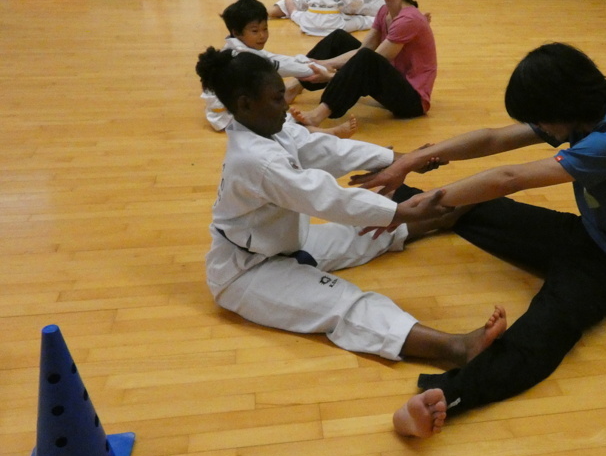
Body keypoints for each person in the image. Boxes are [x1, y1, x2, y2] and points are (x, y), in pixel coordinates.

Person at [350, 43, 606, 438]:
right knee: (469, 202)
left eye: (541, 118)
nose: (540, 126)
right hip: (590, 233)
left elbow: (510, 178)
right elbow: (492, 140)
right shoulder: (587, 109)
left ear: (563, 104)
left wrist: (419, 205)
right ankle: (400, 203)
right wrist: (408, 162)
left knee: (545, 329)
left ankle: (449, 395)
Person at [195, 47, 508, 365]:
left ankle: (439, 218)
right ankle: (456, 349)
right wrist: (398, 211)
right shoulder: (254, 160)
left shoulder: (271, 128)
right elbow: (323, 197)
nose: (285, 106)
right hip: (247, 273)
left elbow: (324, 148)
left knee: (365, 232)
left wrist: (399, 159)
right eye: (278, 99)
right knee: (343, 302)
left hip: (285, 243)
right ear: (245, 104)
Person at [289, 0, 437, 128]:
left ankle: (317, 116)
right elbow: (363, 49)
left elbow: (372, 61)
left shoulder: (408, 19)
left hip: (411, 101)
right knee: (338, 38)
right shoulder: (384, 11)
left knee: (366, 58)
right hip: (392, 82)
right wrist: (324, 63)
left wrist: (328, 71)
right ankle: (292, 87)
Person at [201, 0, 357, 138]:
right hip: (228, 118)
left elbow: (277, 59)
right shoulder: (243, 57)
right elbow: (283, 66)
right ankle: (326, 133)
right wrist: (320, 70)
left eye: (265, 29)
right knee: (278, 120)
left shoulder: (238, 48)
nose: (262, 35)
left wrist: (309, 62)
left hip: (234, 108)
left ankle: (309, 125)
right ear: (236, 33)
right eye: (255, 31)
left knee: (281, 114)